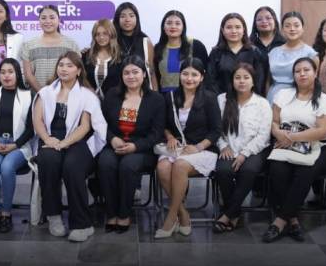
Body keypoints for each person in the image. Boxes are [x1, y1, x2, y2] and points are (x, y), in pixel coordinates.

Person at [32, 51, 107, 242]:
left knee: (72, 166)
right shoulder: (46, 92)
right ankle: (54, 216)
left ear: (79, 70)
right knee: (48, 161)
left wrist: (64, 143)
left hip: (77, 141)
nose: (64, 69)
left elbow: (85, 126)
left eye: (69, 66)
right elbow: (38, 121)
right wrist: (48, 140)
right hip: (51, 140)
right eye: (61, 65)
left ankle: (82, 224)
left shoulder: (86, 95)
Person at [263, 57, 326, 243]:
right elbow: (273, 121)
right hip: (284, 143)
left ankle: (280, 221)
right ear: (293, 75)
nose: (302, 74)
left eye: (306, 70)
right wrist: (278, 134)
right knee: (276, 169)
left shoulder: (324, 99)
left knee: (305, 171)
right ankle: (293, 219)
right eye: (298, 71)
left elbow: (322, 131)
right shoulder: (283, 94)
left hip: (317, 146)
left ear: (315, 73)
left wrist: (290, 138)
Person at [154, 57, 221, 238]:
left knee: (180, 166)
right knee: (162, 167)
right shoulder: (169, 96)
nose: (189, 78)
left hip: (202, 149)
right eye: (185, 74)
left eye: (194, 75)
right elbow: (162, 125)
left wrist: (198, 147)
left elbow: (216, 131)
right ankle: (183, 214)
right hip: (176, 148)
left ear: (202, 77)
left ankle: (170, 218)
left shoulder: (209, 98)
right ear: (179, 75)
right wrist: (169, 137)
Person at [98, 56, 165, 233]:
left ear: (144, 74)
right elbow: (100, 123)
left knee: (128, 165)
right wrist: (112, 139)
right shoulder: (112, 95)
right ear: (121, 75)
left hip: (142, 149)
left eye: (135, 72)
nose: (131, 76)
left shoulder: (156, 99)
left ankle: (124, 214)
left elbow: (157, 133)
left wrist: (135, 146)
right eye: (126, 72)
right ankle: (111, 212)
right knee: (105, 163)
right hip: (114, 143)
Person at [212, 63, 271, 233]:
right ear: (232, 81)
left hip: (255, 150)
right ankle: (235, 213)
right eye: (237, 77)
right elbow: (217, 129)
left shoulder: (262, 103)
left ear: (253, 81)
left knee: (248, 171)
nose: (242, 81)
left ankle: (227, 214)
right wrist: (223, 146)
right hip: (228, 148)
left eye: (246, 77)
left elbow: (263, 136)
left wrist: (245, 154)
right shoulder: (222, 99)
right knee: (223, 171)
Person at [0, 58, 34, 233]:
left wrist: (15, 145)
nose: (6, 76)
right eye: (3, 72)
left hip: (19, 147)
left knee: (7, 167)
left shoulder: (28, 96)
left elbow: (32, 128)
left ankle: (7, 213)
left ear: (17, 73)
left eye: (10, 72)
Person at [206, 12, 269, 96]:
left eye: (238, 27)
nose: (234, 31)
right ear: (223, 31)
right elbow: (210, 81)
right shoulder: (216, 53)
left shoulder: (254, 52)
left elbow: (259, 81)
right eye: (229, 27)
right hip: (222, 101)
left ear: (244, 30)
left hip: (249, 101)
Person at [20, 5, 80, 92]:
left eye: (52, 18)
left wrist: (62, 93)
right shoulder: (29, 45)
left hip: (66, 95)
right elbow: (28, 75)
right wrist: (43, 94)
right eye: (43, 18)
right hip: (37, 95)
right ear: (39, 21)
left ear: (59, 20)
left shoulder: (71, 45)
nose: (48, 21)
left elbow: (76, 72)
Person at [267, 11, 318, 104]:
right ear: (282, 29)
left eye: (296, 25)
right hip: (274, 96)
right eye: (287, 26)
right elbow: (268, 81)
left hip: (298, 98)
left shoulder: (310, 54)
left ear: (302, 29)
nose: (292, 29)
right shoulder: (273, 52)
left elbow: (314, 83)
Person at [153, 10, 209, 94]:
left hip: (192, 95)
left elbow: (206, 73)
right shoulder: (158, 48)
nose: (173, 26)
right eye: (169, 23)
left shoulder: (196, 45)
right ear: (163, 27)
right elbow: (155, 75)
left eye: (177, 23)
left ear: (183, 27)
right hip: (165, 97)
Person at [113, 2, 156, 89]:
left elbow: (151, 72)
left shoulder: (145, 41)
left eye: (131, 16)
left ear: (137, 18)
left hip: (142, 92)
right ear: (117, 19)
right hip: (117, 91)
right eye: (123, 16)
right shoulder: (112, 41)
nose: (127, 19)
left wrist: (156, 95)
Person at [82, 19, 123, 99]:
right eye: (97, 34)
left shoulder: (121, 57)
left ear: (112, 34)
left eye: (105, 33)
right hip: (89, 102)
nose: (101, 37)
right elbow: (81, 78)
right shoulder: (86, 55)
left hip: (114, 103)